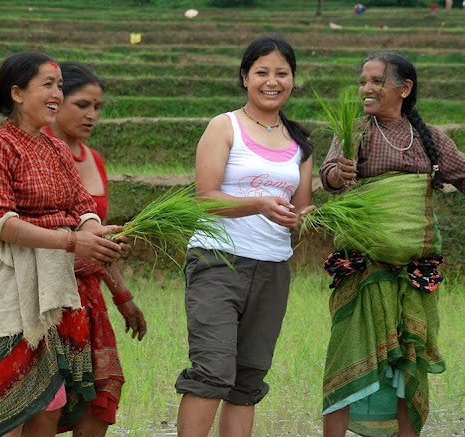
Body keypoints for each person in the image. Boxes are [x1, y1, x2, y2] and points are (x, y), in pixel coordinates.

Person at [318, 51, 465, 436]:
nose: (366, 88)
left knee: (408, 362)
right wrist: (337, 174)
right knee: (347, 355)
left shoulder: (429, 139)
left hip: (414, 276)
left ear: (404, 89)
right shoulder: (353, 131)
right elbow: (329, 176)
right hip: (364, 270)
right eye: (363, 80)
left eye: (377, 81)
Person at [0, 62, 147, 437]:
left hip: (56, 293)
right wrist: (74, 241)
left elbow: (82, 206)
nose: (56, 93)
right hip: (10, 291)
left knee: (50, 399)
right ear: (17, 93)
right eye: (48, 85)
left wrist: (96, 232)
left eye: (59, 85)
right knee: (7, 397)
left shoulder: (56, 150)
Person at [174, 35, 313, 436]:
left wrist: (305, 218)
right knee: (213, 371)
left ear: (292, 80)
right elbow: (206, 198)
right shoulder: (224, 126)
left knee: (248, 378)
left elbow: (301, 208)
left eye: (282, 73)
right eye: (262, 72)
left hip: (272, 268)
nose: (272, 81)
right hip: (219, 260)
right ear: (244, 77)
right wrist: (259, 204)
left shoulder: (299, 143)